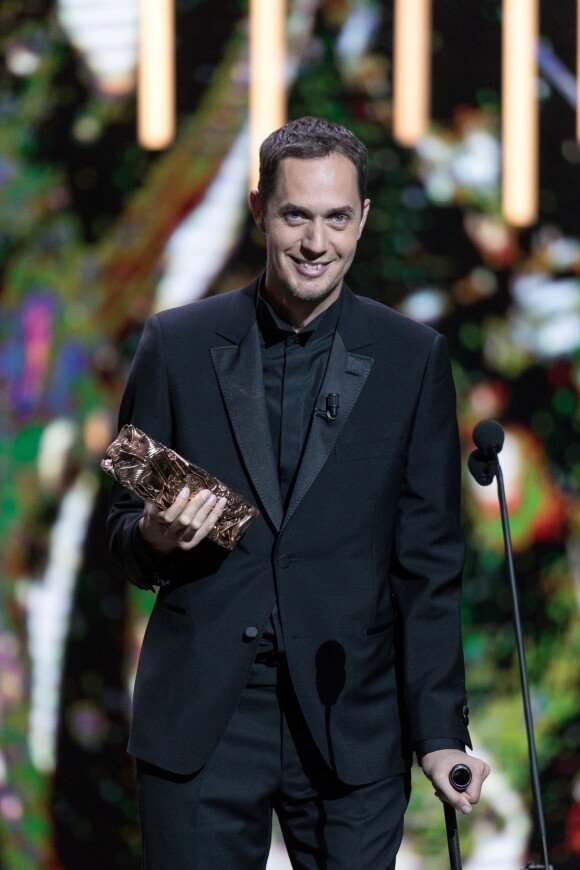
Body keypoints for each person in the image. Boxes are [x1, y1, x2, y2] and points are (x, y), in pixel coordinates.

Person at [107, 116, 490, 869]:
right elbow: (120, 532)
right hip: (204, 719)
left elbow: (429, 566)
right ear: (260, 211)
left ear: (363, 220)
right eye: (296, 216)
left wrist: (441, 731)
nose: (318, 243)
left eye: (337, 218)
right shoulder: (177, 345)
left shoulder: (412, 360)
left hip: (351, 719)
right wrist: (153, 538)